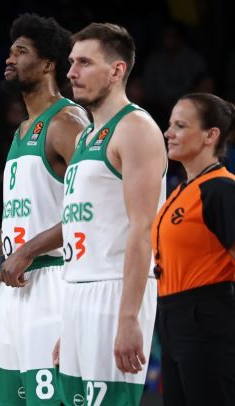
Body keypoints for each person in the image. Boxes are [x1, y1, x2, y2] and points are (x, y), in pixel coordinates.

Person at [0, 14, 88, 406]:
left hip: (53, 281)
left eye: (21, 52)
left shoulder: (68, 122)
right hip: (16, 287)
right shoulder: (23, 129)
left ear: (48, 64)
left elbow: (91, 212)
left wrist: (27, 250)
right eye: (10, 51)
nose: (10, 59)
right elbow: (29, 210)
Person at [55, 23, 166, 406]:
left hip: (114, 289)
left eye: (84, 63)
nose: (72, 72)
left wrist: (129, 317)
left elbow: (144, 228)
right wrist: (71, 324)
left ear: (117, 70)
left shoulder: (136, 128)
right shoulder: (85, 136)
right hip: (77, 290)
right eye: (72, 62)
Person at [153, 93, 235, 405]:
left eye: (180, 126)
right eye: (169, 125)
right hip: (173, 318)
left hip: (207, 317)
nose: (168, 133)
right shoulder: (181, 191)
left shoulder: (221, 189)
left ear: (210, 135)